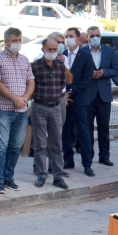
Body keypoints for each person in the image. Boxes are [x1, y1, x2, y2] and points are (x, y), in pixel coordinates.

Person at [0, 27, 35, 194]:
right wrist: (15, 99)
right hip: (2, 109)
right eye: (14, 40)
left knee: (15, 146)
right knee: (0, 146)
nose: (17, 43)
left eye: (19, 40)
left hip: (21, 111)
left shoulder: (24, 60)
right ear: (6, 41)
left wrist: (23, 99)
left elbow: (31, 81)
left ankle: (9, 178)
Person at [29, 36, 72, 190]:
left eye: (55, 49)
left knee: (57, 144)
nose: (53, 52)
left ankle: (58, 176)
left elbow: (66, 82)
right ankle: (41, 175)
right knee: (40, 143)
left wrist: (63, 64)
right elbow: (30, 86)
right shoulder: (35, 66)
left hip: (55, 107)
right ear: (43, 50)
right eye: (50, 49)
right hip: (39, 107)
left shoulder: (60, 65)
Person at [77, 26, 117, 171]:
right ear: (87, 37)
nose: (95, 37)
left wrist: (104, 73)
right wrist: (90, 75)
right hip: (87, 95)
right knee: (87, 129)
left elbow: (115, 69)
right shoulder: (82, 52)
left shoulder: (109, 51)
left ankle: (104, 156)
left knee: (104, 127)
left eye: (97, 35)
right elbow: (78, 72)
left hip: (104, 95)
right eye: (92, 35)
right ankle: (88, 157)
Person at [61, 27, 86, 170]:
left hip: (80, 99)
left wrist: (70, 92)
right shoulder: (62, 55)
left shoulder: (85, 55)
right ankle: (68, 160)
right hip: (63, 100)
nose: (68, 38)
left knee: (83, 131)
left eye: (71, 36)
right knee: (65, 131)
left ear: (77, 38)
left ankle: (86, 163)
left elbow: (86, 79)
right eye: (66, 36)